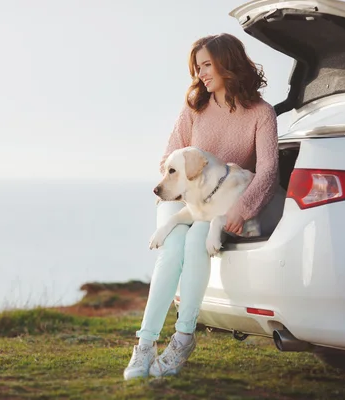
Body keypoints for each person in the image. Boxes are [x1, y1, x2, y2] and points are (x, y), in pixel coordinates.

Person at [123, 33, 279, 379]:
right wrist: (194, 184)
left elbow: (268, 170)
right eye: (198, 67)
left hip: (223, 206)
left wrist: (244, 208)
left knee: (196, 244)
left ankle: (182, 337)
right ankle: (145, 344)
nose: (201, 74)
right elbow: (168, 158)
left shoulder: (261, 113)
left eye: (207, 65)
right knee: (172, 246)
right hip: (181, 198)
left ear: (228, 63)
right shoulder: (195, 107)